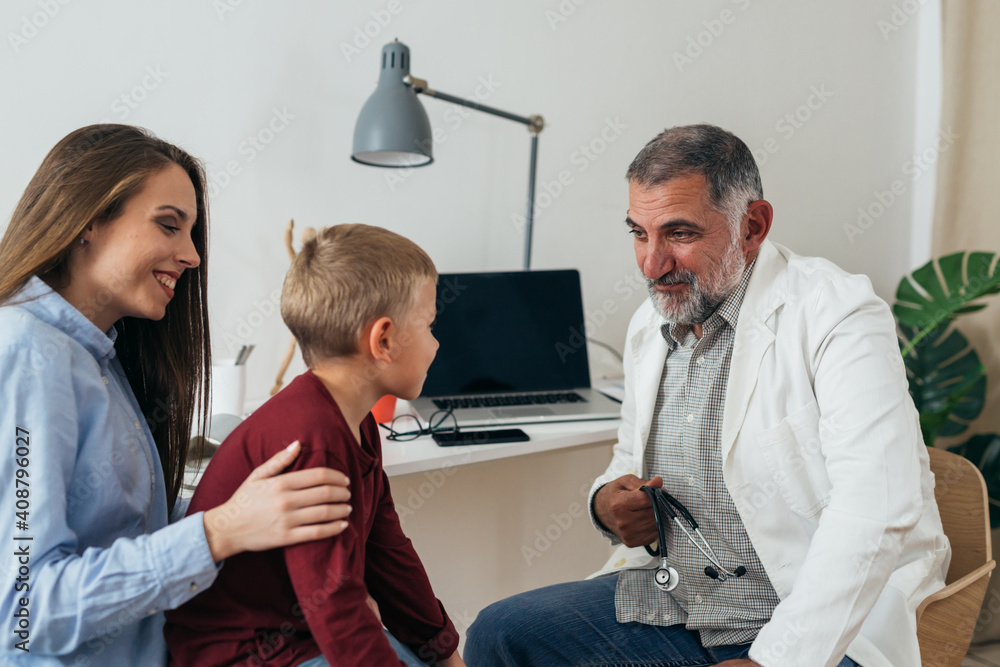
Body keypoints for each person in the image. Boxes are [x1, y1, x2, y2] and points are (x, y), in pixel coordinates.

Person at [464, 124, 950, 667]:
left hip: (808, 616)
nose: (651, 264)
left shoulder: (838, 315)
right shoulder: (651, 327)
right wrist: (606, 505)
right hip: (679, 602)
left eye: (678, 233)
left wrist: (775, 659)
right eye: (639, 233)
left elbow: (877, 503)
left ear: (753, 226)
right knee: (499, 634)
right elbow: (628, 460)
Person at [0, 124, 353, 666]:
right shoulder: (28, 352)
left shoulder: (99, 356)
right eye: (169, 225)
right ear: (88, 220)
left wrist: (241, 499)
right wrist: (221, 529)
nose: (191, 256)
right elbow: (26, 612)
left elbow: (127, 530)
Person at [164, 224, 465, 667]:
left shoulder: (357, 422)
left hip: (304, 637)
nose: (436, 344)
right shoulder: (312, 439)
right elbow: (336, 605)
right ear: (383, 340)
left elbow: (389, 553)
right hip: (243, 655)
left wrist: (444, 654)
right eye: (429, 325)